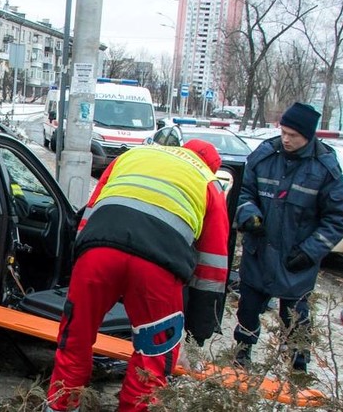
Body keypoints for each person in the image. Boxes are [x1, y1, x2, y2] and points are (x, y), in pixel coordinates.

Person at [47, 139, 230, 412]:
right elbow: (212, 268)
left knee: (75, 340)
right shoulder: (208, 182)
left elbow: (88, 215)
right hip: (157, 268)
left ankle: (60, 406)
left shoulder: (132, 156)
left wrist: (81, 270)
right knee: (152, 358)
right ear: (212, 167)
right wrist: (196, 332)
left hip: (99, 253)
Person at [233, 102, 343, 372]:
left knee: (296, 319)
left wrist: (310, 251)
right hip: (258, 253)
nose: (286, 139)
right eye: (283, 132)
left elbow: (338, 218)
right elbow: (243, 192)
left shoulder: (324, 168)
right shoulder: (264, 155)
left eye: (293, 135)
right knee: (247, 312)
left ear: (308, 136)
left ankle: (298, 366)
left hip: (295, 260)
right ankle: (242, 356)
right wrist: (248, 214)